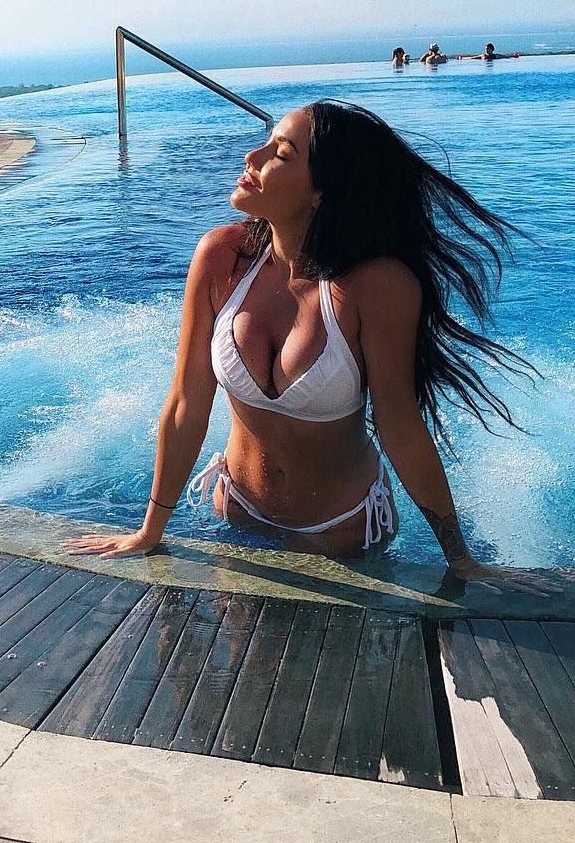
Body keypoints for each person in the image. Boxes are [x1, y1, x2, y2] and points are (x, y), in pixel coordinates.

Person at [65, 100, 547, 591]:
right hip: (237, 510)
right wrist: (150, 531)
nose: (252, 157)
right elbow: (186, 404)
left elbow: (400, 427)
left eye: (281, 153)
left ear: (322, 192)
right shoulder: (222, 258)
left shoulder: (377, 287)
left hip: (342, 529)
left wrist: (461, 559)